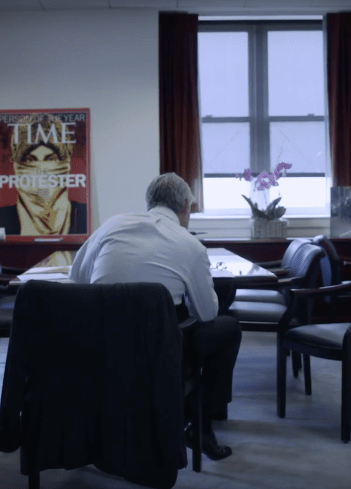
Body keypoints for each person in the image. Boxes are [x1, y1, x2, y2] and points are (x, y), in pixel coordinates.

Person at [69, 173, 241, 461]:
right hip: (158, 352)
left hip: (99, 346)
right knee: (227, 328)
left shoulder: (112, 225)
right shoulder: (190, 244)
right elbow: (207, 312)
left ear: (149, 202)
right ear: (186, 206)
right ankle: (200, 424)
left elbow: (78, 278)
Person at [0, 113, 88, 236]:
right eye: (30, 160)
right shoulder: (2, 220)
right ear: (16, 164)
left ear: (67, 162)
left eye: (51, 159)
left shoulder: (82, 216)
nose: (41, 171)